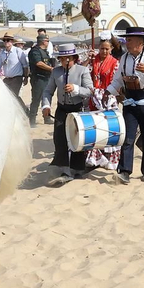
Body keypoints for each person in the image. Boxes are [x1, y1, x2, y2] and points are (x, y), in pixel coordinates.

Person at [39, 42, 94, 185]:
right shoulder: (56, 72)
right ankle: (63, 169)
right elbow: (48, 91)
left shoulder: (83, 70)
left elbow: (89, 90)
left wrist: (76, 89)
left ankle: (77, 168)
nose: (63, 61)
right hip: (62, 109)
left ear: (73, 58)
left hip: (77, 109)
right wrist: (46, 105)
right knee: (60, 138)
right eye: (61, 59)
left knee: (77, 139)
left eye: (66, 58)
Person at [115, 27, 144, 183]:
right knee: (127, 137)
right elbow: (117, 79)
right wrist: (109, 91)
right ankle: (125, 170)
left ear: (140, 42)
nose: (126, 43)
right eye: (126, 40)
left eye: (129, 40)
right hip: (130, 103)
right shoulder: (124, 58)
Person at [85, 37, 122, 172]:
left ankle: (111, 156)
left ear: (111, 49)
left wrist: (106, 93)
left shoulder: (115, 63)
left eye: (107, 49)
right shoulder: (93, 61)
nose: (104, 51)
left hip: (108, 97)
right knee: (94, 127)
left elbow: (116, 81)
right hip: (93, 96)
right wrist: (88, 59)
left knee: (109, 127)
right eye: (102, 48)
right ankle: (95, 156)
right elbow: (84, 73)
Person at [28, 32, 55, 124]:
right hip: (38, 78)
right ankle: (32, 119)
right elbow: (38, 63)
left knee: (46, 98)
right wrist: (51, 68)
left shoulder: (45, 52)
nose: (48, 43)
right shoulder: (35, 51)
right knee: (36, 99)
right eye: (47, 41)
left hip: (46, 78)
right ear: (43, 41)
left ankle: (46, 117)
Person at [0, 34, 29, 103]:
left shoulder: (18, 51)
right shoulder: (2, 52)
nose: (6, 42)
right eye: (4, 40)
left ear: (12, 41)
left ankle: (24, 110)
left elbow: (25, 65)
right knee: (5, 95)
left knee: (13, 95)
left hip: (17, 78)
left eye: (8, 40)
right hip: (7, 78)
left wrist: (26, 77)